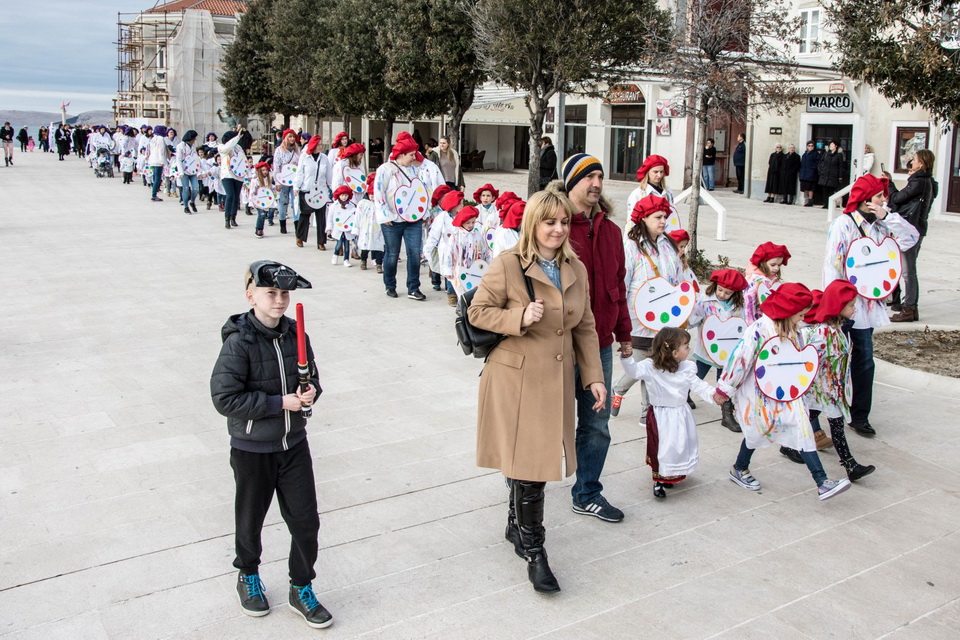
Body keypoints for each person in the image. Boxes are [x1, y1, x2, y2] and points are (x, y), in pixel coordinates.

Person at [468, 187, 606, 593]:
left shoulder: (574, 267)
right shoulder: (508, 264)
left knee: (528, 464)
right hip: (516, 379)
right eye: (550, 222)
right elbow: (478, 310)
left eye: (564, 222)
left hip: (556, 380)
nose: (559, 229)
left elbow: (585, 325)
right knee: (531, 469)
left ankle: (515, 526)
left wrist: (594, 376)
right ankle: (535, 551)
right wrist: (520, 315)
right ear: (533, 223)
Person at [210, 260, 333, 629]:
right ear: (251, 296)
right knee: (250, 519)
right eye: (270, 293)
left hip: (293, 444)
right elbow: (224, 398)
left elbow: (311, 377)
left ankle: (301, 585)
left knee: (305, 521)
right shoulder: (239, 341)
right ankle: (247, 574)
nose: (279, 300)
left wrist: (311, 392)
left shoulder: (297, 334)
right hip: (252, 449)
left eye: (284, 293)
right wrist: (280, 402)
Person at [714, 283, 852, 501]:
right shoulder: (759, 330)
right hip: (760, 394)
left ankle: (822, 481)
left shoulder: (794, 331)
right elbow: (740, 360)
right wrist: (725, 388)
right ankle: (739, 468)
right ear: (788, 313)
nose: (802, 319)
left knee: (802, 428)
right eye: (799, 315)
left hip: (788, 393)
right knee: (757, 432)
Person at [558, 155, 633, 522]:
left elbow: (618, 286)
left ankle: (586, 491)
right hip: (556, 345)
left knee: (596, 424)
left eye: (601, 176)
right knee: (545, 420)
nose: (597, 183)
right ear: (571, 182)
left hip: (599, 343)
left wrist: (624, 333)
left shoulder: (612, 231)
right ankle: (522, 480)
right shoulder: (554, 227)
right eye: (589, 177)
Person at [823, 173, 919, 436]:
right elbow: (833, 265)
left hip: (867, 307)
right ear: (865, 199)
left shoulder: (882, 224)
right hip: (844, 306)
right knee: (835, 359)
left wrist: (887, 216)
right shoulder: (843, 224)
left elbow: (911, 238)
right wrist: (836, 305)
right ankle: (825, 411)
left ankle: (860, 414)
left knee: (864, 360)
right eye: (879, 195)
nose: (883, 199)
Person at [612, 194, 687, 420]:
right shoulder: (631, 246)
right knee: (644, 362)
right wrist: (621, 318)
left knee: (656, 362)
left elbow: (678, 279)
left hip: (665, 319)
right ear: (643, 218)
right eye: (658, 217)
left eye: (665, 216)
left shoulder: (669, 246)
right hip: (639, 319)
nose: (663, 221)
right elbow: (622, 282)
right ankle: (620, 391)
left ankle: (647, 411)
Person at [620, 328, 718, 499]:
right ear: (674, 352)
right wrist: (627, 357)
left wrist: (714, 395)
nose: (689, 349)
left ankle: (674, 472)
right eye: (686, 346)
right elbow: (633, 372)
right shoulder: (650, 367)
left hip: (681, 414)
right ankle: (659, 480)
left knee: (680, 445)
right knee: (662, 447)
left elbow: (699, 385)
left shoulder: (686, 368)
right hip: (660, 416)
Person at [798, 280, 877, 481]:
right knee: (837, 424)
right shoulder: (822, 333)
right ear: (837, 306)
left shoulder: (838, 330)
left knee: (810, 417)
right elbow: (809, 360)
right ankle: (850, 466)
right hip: (822, 389)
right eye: (851, 305)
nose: (854, 309)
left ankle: (788, 445)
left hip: (832, 389)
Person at [686, 268, 748, 431]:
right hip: (707, 349)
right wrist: (685, 321)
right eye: (720, 290)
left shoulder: (739, 306)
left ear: (735, 293)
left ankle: (727, 414)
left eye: (727, 293)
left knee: (725, 381)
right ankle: (684, 395)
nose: (722, 294)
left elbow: (741, 325)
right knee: (697, 375)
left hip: (727, 352)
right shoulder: (704, 300)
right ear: (715, 286)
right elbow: (693, 319)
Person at [374, 132, 429, 301]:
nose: (414, 157)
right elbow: (379, 193)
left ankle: (414, 287)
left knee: (414, 253)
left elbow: (422, 192)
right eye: (411, 154)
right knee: (392, 254)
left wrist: (424, 212)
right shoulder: (385, 169)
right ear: (402, 154)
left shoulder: (415, 170)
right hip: (392, 220)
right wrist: (385, 215)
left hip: (413, 220)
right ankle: (390, 285)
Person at [884, 149, 937, 322]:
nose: (911, 162)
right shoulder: (928, 182)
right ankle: (908, 307)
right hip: (918, 228)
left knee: (908, 271)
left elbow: (898, 198)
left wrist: (889, 183)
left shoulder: (919, 182)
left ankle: (909, 308)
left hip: (910, 230)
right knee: (907, 269)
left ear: (921, 163)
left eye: (914, 160)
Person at [443, 205, 491, 304]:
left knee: (474, 292)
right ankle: (462, 310)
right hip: (459, 269)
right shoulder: (456, 236)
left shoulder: (478, 235)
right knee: (461, 292)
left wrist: (488, 266)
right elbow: (449, 253)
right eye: (468, 222)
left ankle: (469, 311)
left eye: (473, 222)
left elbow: (485, 251)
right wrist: (448, 269)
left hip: (475, 270)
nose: (470, 225)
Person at [293, 135, 331, 249]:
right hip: (307, 189)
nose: (320, 147)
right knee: (305, 214)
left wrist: (331, 187)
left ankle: (321, 241)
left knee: (321, 217)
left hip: (320, 191)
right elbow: (300, 173)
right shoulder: (305, 157)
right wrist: (296, 187)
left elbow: (329, 174)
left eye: (321, 145)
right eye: (318, 145)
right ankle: (300, 237)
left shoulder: (324, 158)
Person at [625, 154, 676, 233]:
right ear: (648, 172)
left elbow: (672, 215)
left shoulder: (668, 192)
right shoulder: (638, 194)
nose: (659, 175)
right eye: (655, 172)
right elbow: (631, 221)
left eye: (661, 172)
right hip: (646, 236)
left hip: (666, 235)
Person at [744, 241, 790, 324]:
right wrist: (751, 324)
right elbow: (748, 304)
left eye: (779, 265)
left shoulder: (773, 279)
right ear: (762, 263)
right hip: (756, 322)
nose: (776, 268)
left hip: (769, 321)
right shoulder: (754, 280)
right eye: (773, 265)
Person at [219, 128, 250, 228]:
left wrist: (246, 174)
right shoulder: (222, 147)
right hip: (227, 175)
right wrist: (236, 138)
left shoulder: (239, 148)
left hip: (238, 175)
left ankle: (233, 217)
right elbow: (227, 148)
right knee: (230, 195)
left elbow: (243, 160)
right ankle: (227, 218)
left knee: (236, 197)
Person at [272, 128, 299, 235]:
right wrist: (277, 182)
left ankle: (297, 223)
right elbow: (276, 166)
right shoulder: (279, 150)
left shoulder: (297, 150)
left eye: (293, 137)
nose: (292, 139)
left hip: (294, 180)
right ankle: (282, 224)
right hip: (283, 179)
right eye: (290, 137)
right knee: (283, 202)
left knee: (295, 203)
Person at [355, 173, 384, 272]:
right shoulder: (363, 204)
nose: (373, 198)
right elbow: (357, 217)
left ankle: (379, 264)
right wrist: (356, 229)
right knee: (365, 247)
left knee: (379, 247)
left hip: (378, 229)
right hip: (366, 229)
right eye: (371, 195)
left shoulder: (381, 204)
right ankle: (363, 260)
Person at [328, 185, 357, 266]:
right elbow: (330, 218)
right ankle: (335, 255)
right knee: (339, 244)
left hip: (348, 229)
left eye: (346, 195)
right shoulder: (334, 206)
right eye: (342, 195)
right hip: (338, 229)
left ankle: (346, 259)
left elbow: (354, 217)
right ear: (338, 195)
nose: (344, 197)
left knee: (347, 245)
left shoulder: (351, 206)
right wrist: (329, 228)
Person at [249, 161, 279, 238]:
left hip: (266, 201)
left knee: (264, 214)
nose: (265, 172)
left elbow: (272, 189)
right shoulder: (256, 181)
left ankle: (260, 228)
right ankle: (258, 229)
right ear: (259, 171)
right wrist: (253, 200)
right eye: (263, 170)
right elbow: (253, 191)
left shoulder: (268, 180)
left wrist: (277, 188)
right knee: (261, 214)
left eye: (266, 170)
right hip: (258, 201)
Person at [175, 130, 201, 214]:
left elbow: (197, 160)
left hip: (192, 171)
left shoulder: (192, 147)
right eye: (194, 138)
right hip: (184, 171)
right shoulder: (180, 146)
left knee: (196, 188)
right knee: (186, 189)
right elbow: (178, 160)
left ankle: (192, 201)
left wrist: (203, 171)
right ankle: (186, 206)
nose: (195, 140)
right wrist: (181, 172)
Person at [817, 140, 844, 209]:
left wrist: (840, 176)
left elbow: (841, 166)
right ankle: (825, 203)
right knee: (824, 189)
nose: (831, 146)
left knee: (831, 190)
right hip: (825, 174)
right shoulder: (826, 154)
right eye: (830, 145)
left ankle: (830, 204)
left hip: (833, 175)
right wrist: (820, 170)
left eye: (832, 145)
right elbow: (820, 162)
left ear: (836, 146)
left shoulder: (839, 155)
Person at [148, 125, 170, 202]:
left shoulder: (153, 139)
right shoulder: (161, 139)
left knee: (155, 178)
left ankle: (154, 193)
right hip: (158, 161)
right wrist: (163, 162)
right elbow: (161, 151)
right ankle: (154, 195)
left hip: (152, 160)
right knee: (157, 179)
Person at [799, 140, 820, 207]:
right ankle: (809, 199)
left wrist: (813, 168)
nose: (810, 147)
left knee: (811, 188)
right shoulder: (804, 154)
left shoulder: (816, 154)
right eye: (809, 146)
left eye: (812, 146)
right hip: (804, 173)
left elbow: (817, 163)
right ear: (807, 146)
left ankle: (810, 200)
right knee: (805, 188)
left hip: (812, 173)